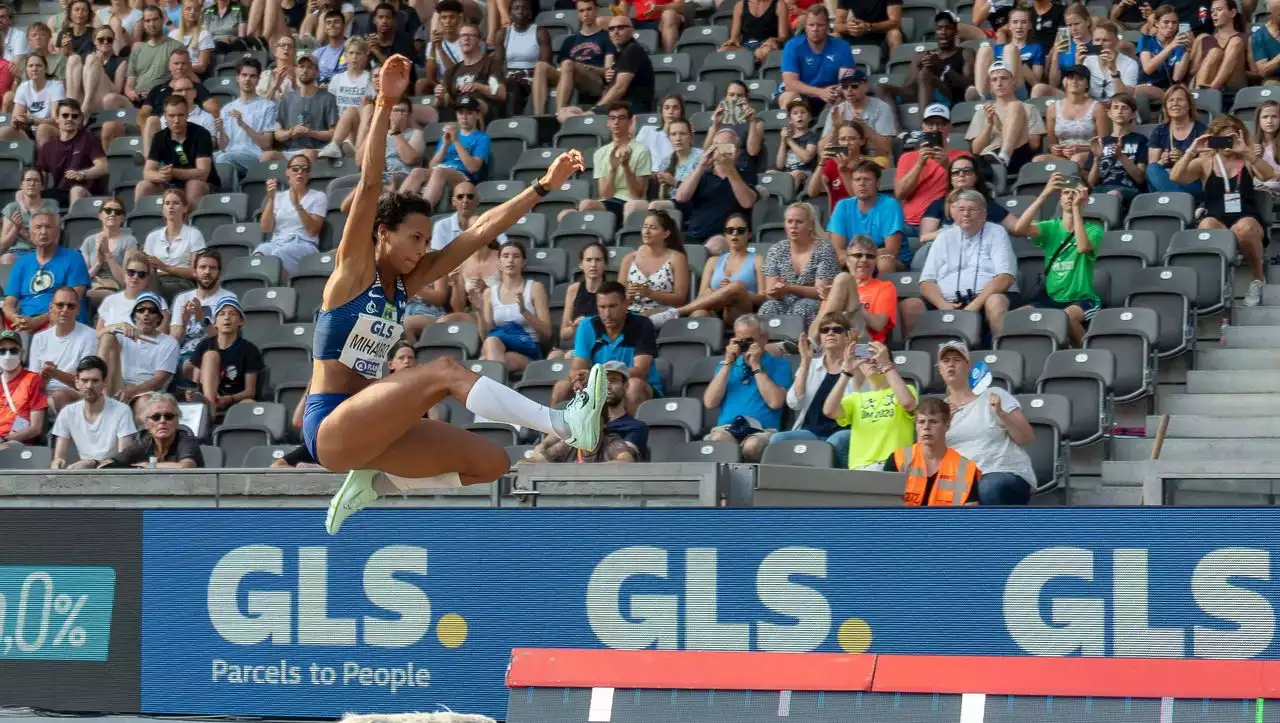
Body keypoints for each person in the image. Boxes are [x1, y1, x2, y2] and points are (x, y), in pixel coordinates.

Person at [309, 56, 605, 536]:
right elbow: (367, 186)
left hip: (376, 428)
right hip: (332, 427)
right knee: (446, 370)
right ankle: (565, 423)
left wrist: (542, 187)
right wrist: (384, 102)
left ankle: (376, 484)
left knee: (490, 464)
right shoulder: (352, 270)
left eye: (428, 241)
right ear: (383, 233)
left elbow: (480, 229)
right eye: (414, 239)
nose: (422, 251)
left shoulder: (407, 280)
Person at [1171, 115, 1274, 307]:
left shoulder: (1247, 158)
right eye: (1223, 138)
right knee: (1206, 225)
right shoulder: (1206, 161)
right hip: (1216, 216)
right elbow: (1176, 177)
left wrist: (1247, 151)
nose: (1228, 144)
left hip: (1246, 216)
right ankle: (1214, 285)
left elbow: (1267, 175)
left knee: (1244, 227)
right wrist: (1191, 150)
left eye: (1232, 138)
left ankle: (1258, 280)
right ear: (1214, 138)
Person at [901, 189, 1020, 336]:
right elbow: (926, 281)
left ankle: (998, 353)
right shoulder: (943, 237)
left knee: (995, 301)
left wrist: (975, 305)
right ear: (952, 212)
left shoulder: (997, 232)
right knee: (910, 305)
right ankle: (918, 356)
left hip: (984, 300)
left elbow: (1005, 276)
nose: (966, 214)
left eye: (972, 209)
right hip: (947, 303)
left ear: (984, 212)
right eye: (961, 209)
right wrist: (942, 304)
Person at [935, 341, 1036, 504]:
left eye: (957, 360)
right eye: (945, 361)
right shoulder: (940, 411)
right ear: (939, 369)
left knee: (988, 487)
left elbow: (1027, 438)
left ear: (969, 367)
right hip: (960, 481)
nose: (951, 365)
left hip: (1002, 472)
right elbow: (930, 454)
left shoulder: (994, 395)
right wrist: (945, 425)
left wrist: (1002, 414)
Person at [1013, 174, 1103, 344]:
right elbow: (1019, 229)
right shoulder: (1051, 227)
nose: (1069, 196)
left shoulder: (1093, 229)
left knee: (1065, 317)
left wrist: (1076, 209)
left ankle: (1084, 357)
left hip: (1083, 299)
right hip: (1051, 299)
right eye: (1065, 193)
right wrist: (1045, 194)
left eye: (1074, 193)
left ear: (1085, 198)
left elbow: (1083, 247)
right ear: (1060, 198)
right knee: (1015, 318)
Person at [553, 280, 662, 411]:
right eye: (602, 307)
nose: (607, 314)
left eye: (612, 306)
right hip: (599, 386)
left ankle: (630, 430)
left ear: (625, 304)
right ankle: (552, 431)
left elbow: (640, 372)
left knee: (634, 385)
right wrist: (578, 379)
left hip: (637, 386)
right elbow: (577, 368)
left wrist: (596, 375)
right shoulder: (587, 326)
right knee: (562, 387)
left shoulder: (643, 325)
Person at [701, 314, 793, 462]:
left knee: (752, 446)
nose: (744, 346)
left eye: (750, 341)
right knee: (719, 441)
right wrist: (728, 364)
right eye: (740, 341)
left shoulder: (779, 365)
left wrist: (756, 366)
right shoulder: (725, 366)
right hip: (727, 429)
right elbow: (710, 403)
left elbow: (776, 402)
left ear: (764, 338)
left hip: (762, 430)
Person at [769, 312, 854, 463]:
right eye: (825, 330)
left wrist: (850, 363)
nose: (830, 333)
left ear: (848, 336)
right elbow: (795, 403)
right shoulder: (811, 365)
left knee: (835, 443)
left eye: (837, 330)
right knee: (778, 439)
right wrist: (805, 362)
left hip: (844, 431)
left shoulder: (857, 367)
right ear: (820, 337)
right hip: (810, 431)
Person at [529, 360, 648, 463]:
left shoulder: (635, 427)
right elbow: (553, 442)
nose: (607, 386)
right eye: (602, 382)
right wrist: (542, 447)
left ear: (626, 386)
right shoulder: (583, 419)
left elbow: (624, 458)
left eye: (613, 381)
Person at [827, 338, 918, 470]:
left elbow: (908, 405)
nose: (872, 361)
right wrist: (846, 372)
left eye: (876, 357)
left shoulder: (907, 390)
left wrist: (885, 364)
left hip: (893, 466)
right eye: (866, 359)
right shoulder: (855, 398)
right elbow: (830, 411)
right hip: (860, 468)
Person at [757, 202, 840, 332]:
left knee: (803, 306)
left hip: (814, 303)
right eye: (789, 222)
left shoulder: (824, 249)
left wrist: (789, 288)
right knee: (769, 306)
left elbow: (821, 292)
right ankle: (762, 344)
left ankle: (797, 344)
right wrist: (777, 290)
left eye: (799, 222)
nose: (793, 226)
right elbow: (770, 292)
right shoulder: (776, 250)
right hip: (783, 302)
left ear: (810, 226)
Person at [883, 396, 980, 506]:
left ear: (947, 426)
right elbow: (884, 505)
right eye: (921, 422)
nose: (926, 427)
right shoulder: (898, 459)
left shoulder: (966, 468)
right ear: (915, 426)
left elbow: (970, 514)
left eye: (933, 422)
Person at [3, 211, 89, 332]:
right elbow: (9, 303)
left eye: (48, 227)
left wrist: (37, 321)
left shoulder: (74, 258)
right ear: (30, 233)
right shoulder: (22, 263)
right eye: (38, 227)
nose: (43, 232)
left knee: (58, 317)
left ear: (57, 232)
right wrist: (16, 318)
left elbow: (71, 302)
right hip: (25, 321)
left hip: (58, 319)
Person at [675, 129, 759, 252]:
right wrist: (701, 166)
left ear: (736, 152)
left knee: (714, 245)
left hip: (728, 235)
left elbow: (747, 202)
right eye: (717, 146)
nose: (721, 151)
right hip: (695, 234)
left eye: (726, 146)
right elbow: (681, 197)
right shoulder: (702, 175)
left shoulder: (745, 173)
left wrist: (730, 169)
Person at [672, 213, 764, 323]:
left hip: (742, 313)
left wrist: (738, 292)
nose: (735, 234)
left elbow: (763, 297)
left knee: (737, 286)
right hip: (715, 311)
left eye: (740, 230)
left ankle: (678, 312)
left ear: (748, 234)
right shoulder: (713, 261)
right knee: (698, 314)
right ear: (725, 235)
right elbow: (701, 295)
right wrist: (722, 292)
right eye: (730, 230)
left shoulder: (757, 260)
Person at [50, 354, 136, 468]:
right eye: (84, 380)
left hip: (113, 472)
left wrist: (93, 463)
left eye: (95, 381)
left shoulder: (122, 411)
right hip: (83, 474)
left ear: (105, 382)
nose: (89, 386)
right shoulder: (67, 412)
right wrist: (58, 464)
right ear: (77, 382)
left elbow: (124, 458)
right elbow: (59, 457)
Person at [404, 95, 489, 208]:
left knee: (440, 171)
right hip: (440, 172)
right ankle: (397, 208)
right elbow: (432, 166)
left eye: (469, 113)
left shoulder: (482, 138)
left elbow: (473, 167)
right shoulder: (450, 135)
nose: (464, 117)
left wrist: (456, 142)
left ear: (477, 115)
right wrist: (444, 145)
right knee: (417, 171)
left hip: (464, 177)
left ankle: (424, 209)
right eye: (460, 113)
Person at [532, 0, 614, 116]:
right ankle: (538, 115)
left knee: (568, 64)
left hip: (594, 81)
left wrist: (586, 67)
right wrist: (572, 66)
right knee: (541, 66)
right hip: (569, 74)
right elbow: (561, 69)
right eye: (582, 10)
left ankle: (560, 112)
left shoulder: (607, 37)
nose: (586, 14)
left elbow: (607, 71)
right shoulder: (570, 41)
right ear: (578, 14)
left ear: (596, 11)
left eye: (589, 9)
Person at [894, 103, 968, 231]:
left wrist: (947, 165)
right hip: (910, 223)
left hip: (944, 221)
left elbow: (967, 189)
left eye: (940, 124)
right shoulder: (907, 157)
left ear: (949, 127)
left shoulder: (962, 156)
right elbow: (900, 193)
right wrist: (919, 164)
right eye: (930, 124)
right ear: (923, 127)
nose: (935, 128)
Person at [480, 241, 551, 373]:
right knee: (491, 348)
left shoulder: (535, 288)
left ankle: (493, 390)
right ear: (499, 263)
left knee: (486, 363)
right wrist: (479, 308)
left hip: (528, 349)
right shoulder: (489, 293)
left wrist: (525, 312)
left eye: (516, 256)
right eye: (506, 256)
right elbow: (486, 334)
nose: (510, 260)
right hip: (500, 350)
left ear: (523, 262)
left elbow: (547, 332)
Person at [135, 94, 219, 205]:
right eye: (171, 116)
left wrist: (173, 173)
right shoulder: (159, 137)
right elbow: (147, 172)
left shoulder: (201, 134)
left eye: (180, 115)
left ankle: (187, 220)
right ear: (164, 116)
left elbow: (203, 173)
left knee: (194, 185)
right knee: (143, 186)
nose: (176, 120)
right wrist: (162, 175)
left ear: (187, 115)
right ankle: (141, 221)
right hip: (171, 185)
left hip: (204, 184)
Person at [576, 101, 651, 225]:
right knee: (575, 209)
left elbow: (638, 194)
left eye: (621, 118)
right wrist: (613, 169)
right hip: (609, 202)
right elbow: (606, 194)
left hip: (631, 202)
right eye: (613, 118)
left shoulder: (641, 150)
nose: (616, 122)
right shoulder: (600, 153)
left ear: (630, 121)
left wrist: (626, 167)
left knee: (588, 205)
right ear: (608, 122)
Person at [878, 11, 974, 107]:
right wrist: (918, 73)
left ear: (955, 32)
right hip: (923, 95)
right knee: (883, 89)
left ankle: (924, 121)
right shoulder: (922, 56)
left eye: (948, 28)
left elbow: (968, 84)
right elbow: (908, 88)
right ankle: (894, 122)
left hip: (951, 97)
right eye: (939, 28)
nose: (943, 32)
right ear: (935, 33)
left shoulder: (965, 53)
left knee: (926, 74)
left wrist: (943, 69)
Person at [96, 291, 180, 401]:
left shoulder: (170, 343)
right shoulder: (123, 334)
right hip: (119, 385)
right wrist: (119, 325)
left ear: (159, 318)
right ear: (134, 316)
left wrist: (131, 392)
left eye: (152, 311)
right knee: (108, 337)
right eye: (141, 310)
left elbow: (159, 381)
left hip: (148, 393)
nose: (146, 314)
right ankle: (103, 397)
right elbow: (98, 334)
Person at [828, 160, 910, 272]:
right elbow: (838, 247)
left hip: (888, 260)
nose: (862, 183)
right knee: (829, 260)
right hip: (854, 257)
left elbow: (891, 250)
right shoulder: (843, 205)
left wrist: (859, 257)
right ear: (852, 183)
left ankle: (883, 290)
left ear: (877, 183)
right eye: (857, 180)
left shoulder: (889, 205)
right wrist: (853, 258)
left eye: (867, 179)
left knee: (884, 262)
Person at [966, 61, 1046, 172]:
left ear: (1013, 81)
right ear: (991, 86)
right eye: (994, 80)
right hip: (988, 159)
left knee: (1015, 106)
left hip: (1017, 154)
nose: (999, 83)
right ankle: (1000, 160)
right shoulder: (983, 111)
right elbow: (976, 150)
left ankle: (1004, 157)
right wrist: (989, 124)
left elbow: (1034, 145)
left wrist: (1013, 126)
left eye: (1004, 78)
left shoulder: (1029, 108)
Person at [918, 154, 1018, 243]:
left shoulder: (988, 206)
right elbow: (924, 239)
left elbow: (1018, 228)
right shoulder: (938, 205)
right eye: (956, 172)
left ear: (975, 177)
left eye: (967, 171)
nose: (961, 175)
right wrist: (959, 231)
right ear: (951, 179)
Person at [818, 235, 899, 344]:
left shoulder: (885, 287)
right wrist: (829, 299)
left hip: (866, 349)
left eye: (870, 256)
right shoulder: (837, 287)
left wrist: (854, 303)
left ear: (875, 262)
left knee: (843, 278)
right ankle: (812, 343)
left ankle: (812, 341)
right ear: (847, 261)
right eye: (858, 255)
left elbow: (878, 325)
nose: (864, 260)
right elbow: (824, 322)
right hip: (835, 345)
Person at [169, 248, 236, 380]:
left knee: (190, 364)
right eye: (202, 267)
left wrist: (202, 319)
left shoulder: (228, 298)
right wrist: (183, 322)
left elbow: (225, 340)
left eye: (212, 268)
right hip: (184, 353)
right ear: (194, 272)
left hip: (214, 352)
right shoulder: (182, 298)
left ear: (219, 273)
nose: (207, 272)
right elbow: (174, 340)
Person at [27, 286, 97, 409]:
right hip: (44, 394)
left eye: (71, 306)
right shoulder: (39, 338)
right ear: (50, 307)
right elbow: (33, 384)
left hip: (75, 394)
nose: (64, 310)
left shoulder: (90, 336)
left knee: (60, 396)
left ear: (78, 310)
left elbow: (86, 384)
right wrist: (44, 377)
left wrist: (55, 373)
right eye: (60, 305)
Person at [618, 210, 689, 328]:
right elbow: (617, 294)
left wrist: (650, 293)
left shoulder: (677, 258)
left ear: (666, 234)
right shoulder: (629, 258)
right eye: (645, 227)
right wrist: (627, 295)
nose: (646, 231)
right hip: (631, 311)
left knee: (641, 322)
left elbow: (680, 298)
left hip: (663, 312)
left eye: (653, 228)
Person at [258, 154, 326, 275]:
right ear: (287, 171)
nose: (300, 172)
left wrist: (297, 205)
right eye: (295, 169)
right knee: (259, 254)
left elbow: (313, 231)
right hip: (277, 242)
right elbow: (265, 228)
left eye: (305, 169)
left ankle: (282, 289)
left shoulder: (318, 197)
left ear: (309, 174)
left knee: (278, 255)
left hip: (303, 243)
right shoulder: (278, 197)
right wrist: (271, 199)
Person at [777, 6, 854, 113]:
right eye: (811, 25)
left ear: (827, 25)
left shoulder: (842, 46)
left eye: (820, 25)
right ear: (805, 26)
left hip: (830, 94)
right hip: (801, 93)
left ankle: (830, 128)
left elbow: (846, 79)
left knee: (842, 98)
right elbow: (790, 83)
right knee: (789, 97)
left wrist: (835, 92)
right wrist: (819, 92)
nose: (815, 29)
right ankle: (791, 130)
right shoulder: (793, 46)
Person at [265, 51, 338, 162]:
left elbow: (333, 133)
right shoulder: (286, 98)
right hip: (290, 151)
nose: (304, 70)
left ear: (316, 72)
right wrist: (291, 132)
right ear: (295, 69)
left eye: (309, 67)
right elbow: (278, 134)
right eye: (301, 66)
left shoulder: (328, 98)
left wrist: (310, 133)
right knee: (267, 156)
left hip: (316, 150)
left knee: (308, 154)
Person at [99, 391, 203, 468]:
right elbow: (115, 462)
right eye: (156, 417)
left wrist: (149, 466)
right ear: (147, 424)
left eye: (169, 416)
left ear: (177, 421)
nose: (162, 421)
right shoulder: (144, 441)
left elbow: (186, 467)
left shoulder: (186, 440)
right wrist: (94, 462)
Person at [195, 297, 262, 413]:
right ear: (215, 323)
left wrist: (229, 399)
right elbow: (195, 383)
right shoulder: (203, 346)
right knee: (211, 355)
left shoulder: (249, 349)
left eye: (232, 314)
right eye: (221, 314)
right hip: (207, 401)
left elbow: (250, 391)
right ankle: (210, 411)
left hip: (235, 402)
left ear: (241, 322)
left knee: (250, 404)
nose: (227, 317)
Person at [36, 98, 105, 205]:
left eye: (74, 116)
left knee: (76, 190)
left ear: (80, 119)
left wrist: (83, 174)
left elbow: (103, 166)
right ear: (57, 118)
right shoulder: (48, 147)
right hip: (59, 192)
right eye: (65, 115)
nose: (69, 119)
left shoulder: (88, 139)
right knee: (24, 193)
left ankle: (73, 221)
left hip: (85, 192)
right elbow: (42, 175)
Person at [215, 57, 276, 177]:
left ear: (258, 80)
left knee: (223, 158)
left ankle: (230, 191)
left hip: (254, 155)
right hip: (230, 153)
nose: (247, 79)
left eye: (252, 76)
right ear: (238, 78)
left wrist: (243, 124)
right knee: (206, 159)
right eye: (244, 75)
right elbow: (223, 146)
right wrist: (220, 130)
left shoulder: (268, 106)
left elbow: (266, 144)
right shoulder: (227, 108)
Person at [141, 188, 206, 298]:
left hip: (181, 282)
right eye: (167, 203)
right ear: (163, 209)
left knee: (151, 289)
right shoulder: (153, 237)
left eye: (176, 203)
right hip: (156, 279)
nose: (171, 207)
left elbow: (196, 272)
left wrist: (165, 267)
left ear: (185, 208)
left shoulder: (194, 234)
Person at [806, 122, 883, 214]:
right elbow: (812, 192)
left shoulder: (868, 166)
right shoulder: (831, 164)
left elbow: (860, 200)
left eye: (852, 139)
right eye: (843, 139)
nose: (847, 143)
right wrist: (821, 163)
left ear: (862, 141)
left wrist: (844, 172)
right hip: (838, 220)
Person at [1146, 84, 1206, 197]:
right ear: (1165, 107)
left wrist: (1184, 160)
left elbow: (1205, 167)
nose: (1175, 104)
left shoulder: (1201, 131)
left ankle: (1176, 199)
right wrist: (1162, 161)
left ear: (1189, 105)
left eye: (1180, 100)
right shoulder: (1159, 131)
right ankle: (1182, 200)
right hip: (1165, 178)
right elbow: (1153, 166)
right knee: (1152, 169)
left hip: (1190, 180)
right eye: (1171, 101)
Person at [1035, 65, 1101, 166]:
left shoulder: (1097, 107)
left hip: (1089, 154)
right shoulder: (1053, 108)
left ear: (1087, 84)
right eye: (1070, 77)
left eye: (1080, 78)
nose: (1074, 81)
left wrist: (1080, 149)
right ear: (1065, 82)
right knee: (1038, 160)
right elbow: (1051, 144)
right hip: (1063, 156)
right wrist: (1054, 148)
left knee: (1076, 159)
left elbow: (1103, 144)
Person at [435, 23, 503, 120]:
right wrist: (440, 97)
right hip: (457, 111)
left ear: (480, 41)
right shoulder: (452, 71)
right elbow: (446, 101)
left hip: (484, 111)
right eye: (463, 36)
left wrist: (477, 86)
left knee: (469, 103)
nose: (466, 38)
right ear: (459, 41)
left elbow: (501, 93)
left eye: (471, 35)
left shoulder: (491, 64)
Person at [1087, 93, 1148, 202]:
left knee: (1113, 195)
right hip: (1101, 189)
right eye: (1115, 107)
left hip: (1130, 190)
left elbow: (1140, 178)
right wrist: (1097, 159)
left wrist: (1121, 157)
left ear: (1133, 114)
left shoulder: (1140, 140)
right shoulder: (1100, 142)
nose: (1120, 111)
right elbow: (1091, 183)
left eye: (1125, 108)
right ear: (1109, 113)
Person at [973, 6, 1044, 99]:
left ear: (1030, 25)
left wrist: (1018, 60)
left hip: (1018, 92)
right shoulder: (997, 48)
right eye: (1015, 22)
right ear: (1009, 26)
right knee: (984, 49)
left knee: (1010, 50)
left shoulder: (1036, 48)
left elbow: (1036, 84)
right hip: (995, 89)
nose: (1019, 26)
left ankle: (1007, 97)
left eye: (1024, 22)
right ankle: (981, 97)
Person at [821, 69, 896, 155]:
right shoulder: (837, 111)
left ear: (865, 87)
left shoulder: (881, 108)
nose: (849, 90)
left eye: (854, 86)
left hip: (873, 159)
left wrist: (864, 128)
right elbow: (821, 151)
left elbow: (886, 149)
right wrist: (835, 128)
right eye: (845, 86)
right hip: (845, 158)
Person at [551, 242, 607, 355]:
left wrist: (588, 323)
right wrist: (574, 328)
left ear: (605, 264)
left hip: (602, 345)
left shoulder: (611, 291)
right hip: (577, 346)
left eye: (598, 260)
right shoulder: (574, 289)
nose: (593, 264)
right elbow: (563, 334)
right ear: (581, 264)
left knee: (570, 356)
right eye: (588, 260)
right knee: (554, 356)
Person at [495, 0, 550, 116]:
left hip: (533, 75)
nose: (520, 11)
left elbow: (545, 62)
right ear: (510, 13)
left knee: (514, 83)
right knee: (502, 84)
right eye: (516, 8)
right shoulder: (503, 34)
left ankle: (516, 118)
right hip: (510, 75)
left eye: (524, 8)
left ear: (530, 13)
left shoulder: (540, 32)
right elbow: (498, 63)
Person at [0, 54, 65, 147]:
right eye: (30, 66)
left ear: (45, 69)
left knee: (42, 130)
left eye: (38, 65)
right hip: (29, 131)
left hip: (51, 131)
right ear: (26, 71)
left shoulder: (56, 86)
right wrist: (17, 121)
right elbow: (15, 121)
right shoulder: (23, 87)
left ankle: (42, 161)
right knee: (4, 132)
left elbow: (57, 121)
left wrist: (32, 120)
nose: (34, 69)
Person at [96, 250, 169, 330]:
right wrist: (119, 326)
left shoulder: (158, 302)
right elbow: (98, 333)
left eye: (141, 274)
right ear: (124, 274)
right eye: (131, 272)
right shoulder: (110, 300)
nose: (135, 277)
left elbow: (161, 335)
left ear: (147, 278)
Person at [0, 168, 59, 264]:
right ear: (21, 185)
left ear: (42, 186)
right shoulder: (12, 208)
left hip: (42, 253)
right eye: (28, 180)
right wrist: (15, 229)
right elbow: (3, 245)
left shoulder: (51, 208)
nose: (32, 184)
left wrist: (26, 234)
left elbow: (54, 242)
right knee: (6, 258)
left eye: (36, 180)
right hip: (17, 253)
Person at [0, 329, 47, 448]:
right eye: (2, 351)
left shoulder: (33, 379)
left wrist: (5, 439)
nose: (7, 355)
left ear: (22, 353)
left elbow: (36, 428)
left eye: (13, 350)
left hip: (15, 442)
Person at [65, 26, 125, 115]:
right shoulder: (86, 58)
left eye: (109, 39)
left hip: (102, 98)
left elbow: (116, 91)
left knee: (91, 59)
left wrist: (100, 68)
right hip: (81, 97)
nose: (105, 42)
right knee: (73, 58)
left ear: (113, 41)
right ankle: (71, 105)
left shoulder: (119, 62)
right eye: (101, 39)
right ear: (94, 41)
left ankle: (86, 106)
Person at [1190, 0, 1246, 90]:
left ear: (1232, 13)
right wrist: (1209, 63)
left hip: (1233, 85)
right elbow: (1192, 72)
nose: (1214, 14)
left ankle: (1212, 88)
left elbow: (1256, 73)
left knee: (1235, 42)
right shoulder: (1203, 39)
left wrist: (1235, 66)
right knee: (1215, 52)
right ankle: (1203, 94)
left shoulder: (1244, 38)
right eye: (1212, 11)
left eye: (1219, 10)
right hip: (1203, 83)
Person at [1137, 5, 1192, 95]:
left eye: (1174, 23)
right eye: (1166, 22)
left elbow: (1177, 77)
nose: (1170, 26)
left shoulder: (1179, 46)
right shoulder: (1146, 40)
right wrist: (1171, 46)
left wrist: (1188, 50)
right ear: (1157, 23)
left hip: (1168, 91)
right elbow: (1148, 69)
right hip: (1146, 88)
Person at [704, 81, 766, 160]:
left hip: (741, 167)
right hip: (718, 165)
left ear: (746, 99)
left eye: (740, 96)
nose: (735, 98)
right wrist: (715, 125)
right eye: (731, 95)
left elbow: (753, 151)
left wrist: (752, 122)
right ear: (725, 98)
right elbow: (706, 151)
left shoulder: (757, 123)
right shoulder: (718, 121)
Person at [649, 118, 704, 206]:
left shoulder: (701, 157)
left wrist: (674, 182)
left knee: (656, 206)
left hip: (693, 203)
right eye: (673, 134)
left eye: (682, 134)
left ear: (691, 136)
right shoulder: (665, 161)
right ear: (669, 138)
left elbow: (702, 190)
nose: (678, 138)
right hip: (670, 204)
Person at [1083, 21, 1139, 99]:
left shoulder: (1130, 64)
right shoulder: (1088, 61)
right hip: (1094, 106)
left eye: (1105, 40)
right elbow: (1079, 92)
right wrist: (1078, 64)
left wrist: (1114, 71)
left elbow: (1127, 98)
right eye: (1097, 40)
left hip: (1118, 107)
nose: (1100, 44)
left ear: (1117, 42)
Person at [635, 93, 685, 178]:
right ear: (661, 111)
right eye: (667, 108)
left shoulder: (682, 136)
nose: (671, 112)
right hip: (645, 175)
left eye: (675, 108)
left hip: (670, 177)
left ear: (681, 112)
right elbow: (635, 155)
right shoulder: (647, 130)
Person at [720, 0, 787, 63]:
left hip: (767, 46)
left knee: (762, 52)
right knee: (723, 50)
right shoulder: (739, 6)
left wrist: (773, 40)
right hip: (746, 48)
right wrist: (733, 40)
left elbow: (783, 37)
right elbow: (734, 36)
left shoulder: (779, 4)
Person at [169, 0, 213, 77]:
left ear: (199, 13)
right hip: (173, 75)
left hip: (194, 75)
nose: (192, 12)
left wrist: (181, 69)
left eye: (196, 9)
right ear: (182, 11)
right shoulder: (172, 34)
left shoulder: (204, 34)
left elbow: (202, 67)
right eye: (188, 8)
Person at [1255, 101, 1280, 197]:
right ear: (1259, 120)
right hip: (1259, 191)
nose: (1269, 121)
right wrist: (1251, 158)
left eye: (1274, 117)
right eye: (1265, 117)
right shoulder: (1252, 144)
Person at [1251, 5, 1280, 84]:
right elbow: (1263, 71)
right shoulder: (1259, 35)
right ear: (1269, 15)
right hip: (1275, 78)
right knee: (1270, 83)